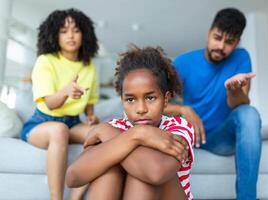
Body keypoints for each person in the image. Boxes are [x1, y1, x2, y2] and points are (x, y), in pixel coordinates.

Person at [66, 46, 195, 200]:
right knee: (108, 167)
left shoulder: (178, 126)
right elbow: (73, 177)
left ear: (166, 99)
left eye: (150, 98)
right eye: (130, 100)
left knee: (142, 174)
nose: (141, 109)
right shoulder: (116, 126)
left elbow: (156, 173)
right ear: (122, 101)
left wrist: (134, 134)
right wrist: (136, 136)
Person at [165, 8, 262, 200]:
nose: (221, 46)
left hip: (220, 138)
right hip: (190, 136)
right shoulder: (184, 62)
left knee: (249, 113)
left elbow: (241, 105)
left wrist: (233, 90)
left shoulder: (242, 57)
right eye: (217, 38)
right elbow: (159, 104)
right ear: (209, 33)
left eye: (229, 42)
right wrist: (183, 109)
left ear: (237, 43)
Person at [20, 8, 99, 200]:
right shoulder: (45, 61)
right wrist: (65, 91)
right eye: (63, 31)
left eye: (76, 30)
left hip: (72, 121)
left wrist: (90, 116)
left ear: (85, 34)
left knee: (101, 135)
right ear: (54, 35)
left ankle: (75, 197)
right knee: (58, 130)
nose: (70, 36)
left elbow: (90, 101)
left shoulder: (89, 66)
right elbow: (50, 103)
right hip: (41, 123)